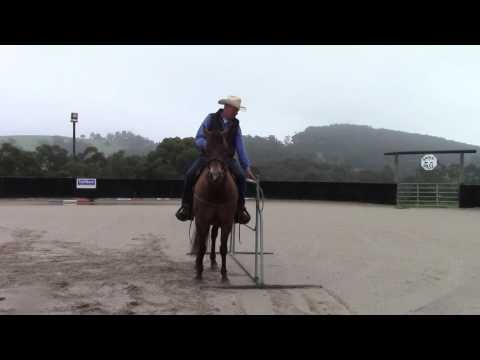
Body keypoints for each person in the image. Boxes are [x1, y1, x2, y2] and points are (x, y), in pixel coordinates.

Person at [175, 96, 256, 224]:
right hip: (208, 156)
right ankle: (186, 207)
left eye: (237, 110)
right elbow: (199, 138)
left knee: (240, 177)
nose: (237, 112)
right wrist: (208, 145)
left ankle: (240, 210)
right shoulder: (210, 118)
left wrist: (246, 167)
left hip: (227, 158)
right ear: (227, 107)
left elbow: (240, 147)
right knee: (190, 175)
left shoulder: (236, 125)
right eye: (235, 109)